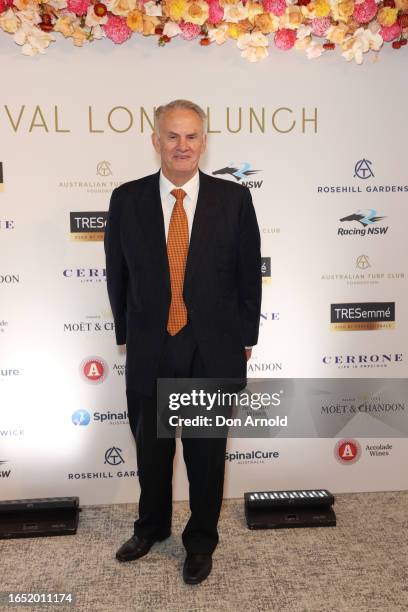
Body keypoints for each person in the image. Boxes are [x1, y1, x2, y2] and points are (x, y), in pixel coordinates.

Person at [104, 99, 261, 585]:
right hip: (152, 348)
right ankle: (150, 528)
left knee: (205, 457)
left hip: (210, 349)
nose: (182, 146)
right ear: (156, 142)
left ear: (204, 142)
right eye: (172, 136)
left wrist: (245, 340)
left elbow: (247, 276)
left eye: (191, 136)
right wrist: (126, 336)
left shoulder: (233, 200)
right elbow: (118, 275)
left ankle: (200, 541)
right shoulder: (126, 199)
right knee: (151, 452)